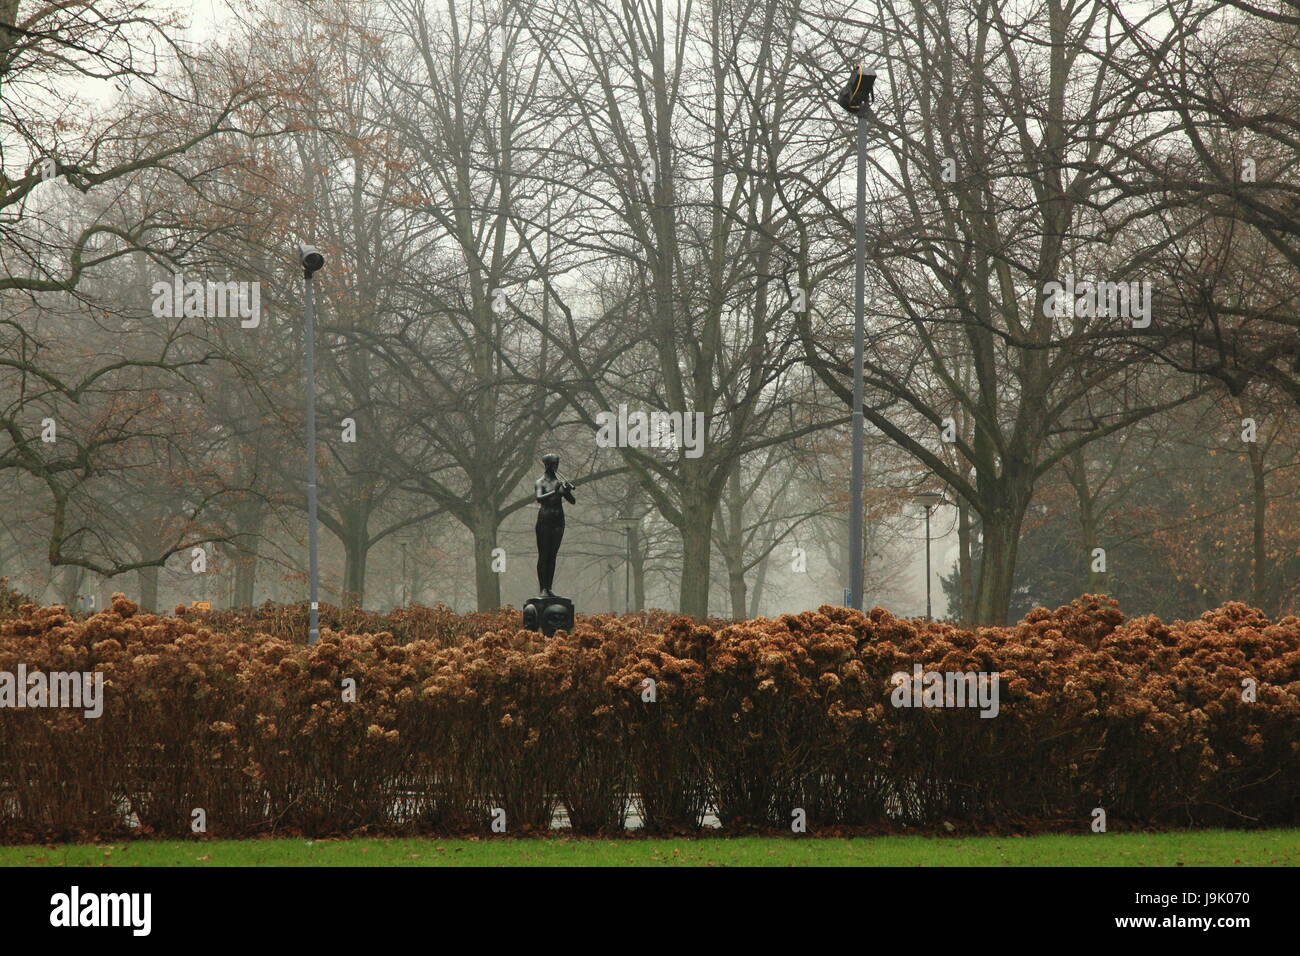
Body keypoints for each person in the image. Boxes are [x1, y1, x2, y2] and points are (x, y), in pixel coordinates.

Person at [534, 453, 575, 597]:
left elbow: (572, 501)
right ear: (547, 465)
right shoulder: (541, 482)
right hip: (544, 521)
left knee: (553, 556)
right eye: (553, 464)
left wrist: (567, 491)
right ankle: (542, 588)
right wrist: (555, 491)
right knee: (544, 555)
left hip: (558, 522)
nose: (556, 467)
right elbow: (539, 498)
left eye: (557, 464)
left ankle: (549, 587)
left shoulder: (559, 482)